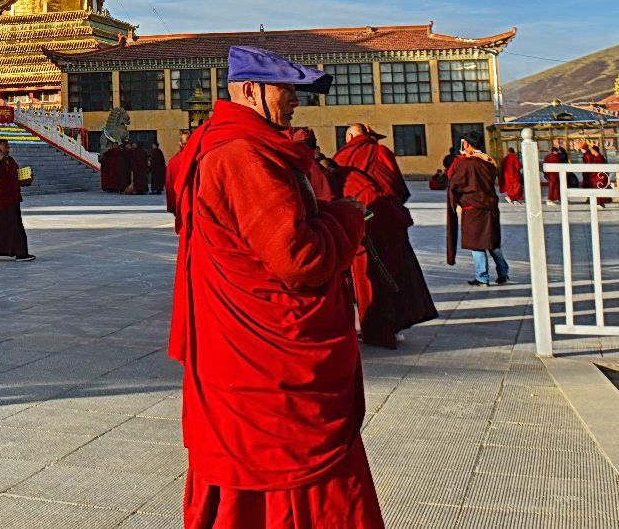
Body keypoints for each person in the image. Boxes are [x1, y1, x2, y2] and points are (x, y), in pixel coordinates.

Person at [167, 46, 381, 528]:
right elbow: (300, 259)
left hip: (240, 348)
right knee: (285, 476)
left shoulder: (226, 145)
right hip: (262, 360)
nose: (293, 102)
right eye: (285, 90)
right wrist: (347, 216)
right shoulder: (242, 154)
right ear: (250, 90)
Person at [335, 123, 437, 349]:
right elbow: (398, 187)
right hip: (389, 222)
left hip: (359, 222)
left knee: (363, 276)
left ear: (350, 136)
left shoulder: (341, 156)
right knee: (395, 270)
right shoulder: (382, 152)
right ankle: (395, 324)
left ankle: (366, 324)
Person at [446, 137, 509, 286]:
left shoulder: (465, 163)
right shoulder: (488, 161)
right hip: (490, 206)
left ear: (467, 144)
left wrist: (455, 200)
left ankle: (482, 277)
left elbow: (453, 180)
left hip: (473, 207)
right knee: (492, 241)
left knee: (476, 243)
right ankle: (503, 271)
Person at [0, 139, 34, 262]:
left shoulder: (11, 161)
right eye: (6, 147)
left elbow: (15, 178)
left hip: (12, 199)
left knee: (15, 227)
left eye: (8, 147)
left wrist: (26, 180)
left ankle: (20, 253)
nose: (8, 149)